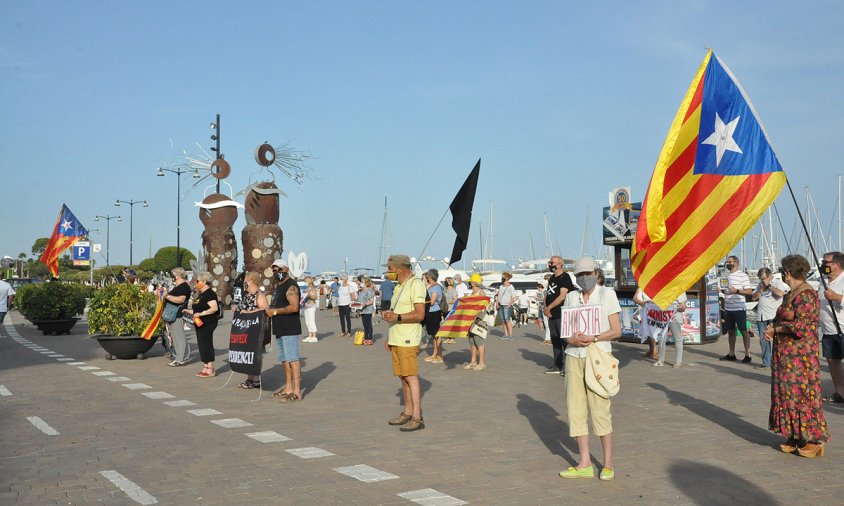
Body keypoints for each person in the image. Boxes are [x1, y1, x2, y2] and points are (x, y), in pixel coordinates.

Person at [559, 257, 621, 480]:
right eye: (579, 275)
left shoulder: (607, 294)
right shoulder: (572, 297)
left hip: (598, 357)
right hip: (574, 357)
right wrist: (572, 340)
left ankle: (608, 464)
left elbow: (616, 330)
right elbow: (565, 333)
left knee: (600, 409)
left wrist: (594, 337)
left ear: (596, 273)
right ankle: (584, 461)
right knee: (575, 410)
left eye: (587, 273)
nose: (584, 278)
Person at [764, 254, 830, 457]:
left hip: (800, 358)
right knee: (787, 395)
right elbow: (780, 317)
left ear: (789, 272)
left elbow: (801, 326)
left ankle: (814, 438)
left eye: (784, 271)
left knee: (803, 396)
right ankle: (795, 433)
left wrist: (777, 330)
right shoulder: (789, 294)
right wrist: (771, 326)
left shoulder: (807, 295)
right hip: (785, 357)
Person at [381, 254, 427, 431]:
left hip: (408, 338)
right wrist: (390, 336)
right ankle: (407, 412)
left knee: (410, 376)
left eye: (390, 269)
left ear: (400, 269)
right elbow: (397, 312)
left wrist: (397, 317)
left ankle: (417, 416)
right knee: (403, 376)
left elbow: (419, 314)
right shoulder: (400, 285)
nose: (388, 272)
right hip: (397, 337)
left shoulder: (416, 284)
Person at [268, 260, 302, 402]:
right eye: (274, 270)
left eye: (279, 269)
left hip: (289, 327)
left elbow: (294, 307)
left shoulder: (291, 285)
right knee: (284, 359)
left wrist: (274, 312)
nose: (277, 272)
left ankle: (297, 391)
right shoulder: (279, 286)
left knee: (292, 359)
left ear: (286, 269)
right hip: (280, 328)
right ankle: (288, 387)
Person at [183, 272, 219, 378]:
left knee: (206, 344)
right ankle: (205, 365)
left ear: (204, 282)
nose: (196, 283)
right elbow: (198, 309)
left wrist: (201, 314)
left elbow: (214, 308)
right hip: (199, 322)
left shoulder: (209, 293)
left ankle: (210, 368)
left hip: (208, 322)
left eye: (198, 281)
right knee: (202, 344)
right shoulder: (201, 294)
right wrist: (188, 311)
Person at [237, 271, 270, 389]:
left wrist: (248, 312)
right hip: (245, 330)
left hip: (256, 330)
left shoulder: (259, 295)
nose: (244, 281)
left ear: (250, 280)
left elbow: (265, 309)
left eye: (245, 279)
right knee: (248, 353)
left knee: (256, 353)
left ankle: (255, 379)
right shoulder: (247, 295)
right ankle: (250, 378)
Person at [543, 255, 575, 376]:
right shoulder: (551, 278)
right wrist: (546, 307)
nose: (550, 265)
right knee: (555, 340)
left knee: (565, 340)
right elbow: (548, 293)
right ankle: (557, 364)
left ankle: (568, 366)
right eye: (549, 262)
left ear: (560, 264)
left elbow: (562, 295)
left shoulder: (565, 277)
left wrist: (550, 307)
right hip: (551, 314)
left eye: (552, 262)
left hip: (562, 314)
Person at [819, 251, 844, 403]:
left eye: (826, 262)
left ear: (837, 265)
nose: (823, 265)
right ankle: (840, 392)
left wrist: (838, 298)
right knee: (832, 362)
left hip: (843, 329)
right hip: (828, 330)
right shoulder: (823, 281)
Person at [719, 255, 754, 363]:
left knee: (743, 330)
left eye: (730, 262)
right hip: (728, 308)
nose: (728, 264)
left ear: (736, 263)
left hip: (739, 307)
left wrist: (737, 291)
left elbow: (749, 291)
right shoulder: (726, 275)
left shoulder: (742, 275)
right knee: (730, 331)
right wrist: (721, 290)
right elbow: (727, 291)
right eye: (727, 262)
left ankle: (747, 354)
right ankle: (731, 354)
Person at [752, 267, 788, 369]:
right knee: (764, 340)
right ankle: (766, 362)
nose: (762, 281)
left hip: (773, 316)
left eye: (764, 278)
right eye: (760, 279)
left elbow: (781, 293)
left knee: (778, 340)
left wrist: (769, 286)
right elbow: (754, 297)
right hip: (761, 316)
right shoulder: (760, 285)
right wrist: (761, 289)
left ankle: (780, 362)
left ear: (769, 276)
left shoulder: (777, 282)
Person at [163, 268, 192, 367]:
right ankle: (178, 357)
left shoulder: (184, 287)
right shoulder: (179, 286)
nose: (172, 276)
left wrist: (167, 296)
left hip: (177, 315)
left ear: (178, 275)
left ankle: (180, 359)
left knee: (179, 337)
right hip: (172, 315)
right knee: (175, 337)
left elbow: (180, 299)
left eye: (173, 274)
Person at [465, 274, 489, 371]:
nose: (469, 282)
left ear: (474, 283)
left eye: (470, 281)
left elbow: (483, 306)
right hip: (471, 320)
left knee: (479, 341)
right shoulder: (472, 292)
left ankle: (482, 363)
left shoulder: (481, 292)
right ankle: (473, 361)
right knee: (471, 341)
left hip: (479, 320)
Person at [423, 269, 444, 363]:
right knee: (433, 335)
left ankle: (439, 355)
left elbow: (432, 302)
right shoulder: (430, 287)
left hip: (434, 312)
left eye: (427, 276)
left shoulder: (436, 287)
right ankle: (435, 354)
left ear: (430, 277)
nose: (426, 277)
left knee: (437, 335)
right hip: (430, 313)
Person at [632, 288, 658, 360]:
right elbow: (635, 298)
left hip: (655, 311)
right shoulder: (642, 286)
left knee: (651, 331)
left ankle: (654, 350)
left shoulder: (658, 285)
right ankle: (651, 349)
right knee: (646, 331)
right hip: (644, 312)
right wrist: (644, 304)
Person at [496, 272, 516, 339]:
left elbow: (513, 297)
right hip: (501, 305)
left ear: (507, 278)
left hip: (507, 305)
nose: (502, 278)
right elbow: (499, 295)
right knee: (503, 320)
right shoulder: (501, 286)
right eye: (502, 276)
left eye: (503, 276)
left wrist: (509, 305)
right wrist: (497, 303)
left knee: (507, 320)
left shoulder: (511, 286)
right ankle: (506, 335)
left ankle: (510, 336)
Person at [357, 277, 376, 345]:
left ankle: (369, 339)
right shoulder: (361, 290)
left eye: (362, 282)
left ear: (366, 283)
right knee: (364, 324)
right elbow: (359, 300)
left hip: (368, 309)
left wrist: (365, 304)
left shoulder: (369, 290)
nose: (361, 283)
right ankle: (366, 337)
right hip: (362, 310)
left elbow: (371, 301)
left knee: (368, 324)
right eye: (361, 282)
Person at [302, 276, 319, 343]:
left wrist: (309, 295)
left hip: (311, 305)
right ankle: (310, 335)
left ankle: (314, 336)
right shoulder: (307, 288)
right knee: (307, 321)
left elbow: (315, 297)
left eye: (306, 281)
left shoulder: (313, 288)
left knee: (312, 320)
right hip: (306, 305)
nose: (305, 282)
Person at [443, 277, 458, 344]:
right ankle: (448, 338)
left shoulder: (453, 290)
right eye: (445, 281)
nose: (445, 282)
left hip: (451, 309)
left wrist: (448, 302)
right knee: (446, 324)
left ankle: (452, 338)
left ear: (450, 282)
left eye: (447, 281)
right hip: (445, 309)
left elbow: (455, 299)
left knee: (451, 324)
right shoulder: (445, 290)